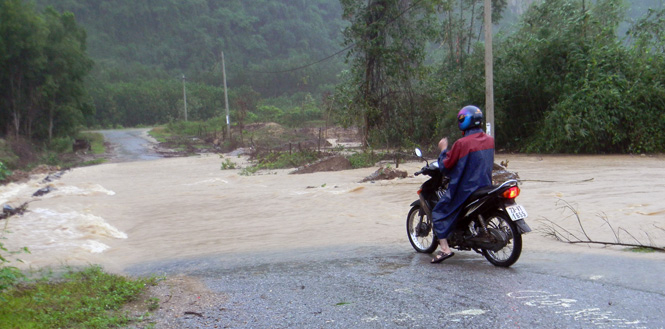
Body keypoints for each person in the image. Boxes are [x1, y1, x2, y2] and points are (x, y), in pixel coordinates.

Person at [430, 105, 495, 263]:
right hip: (485, 185)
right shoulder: (490, 140)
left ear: (463, 121)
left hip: (465, 189)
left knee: (438, 213)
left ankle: (445, 249)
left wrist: (443, 149)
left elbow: (446, 166)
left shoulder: (462, 143)